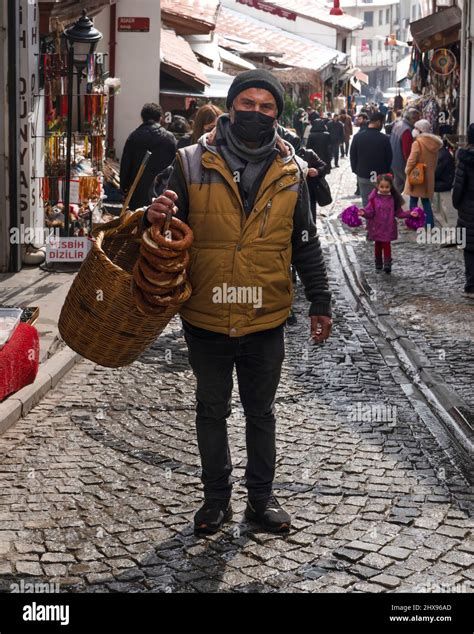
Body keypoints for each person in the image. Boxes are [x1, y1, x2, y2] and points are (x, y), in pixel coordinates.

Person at [144, 69, 332, 534]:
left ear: (276, 114)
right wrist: (154, 215)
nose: (256, 112)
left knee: (261, 413)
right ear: (230, 108)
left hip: (266, 314)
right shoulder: (189, 163)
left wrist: (320, 300)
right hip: (205, 313)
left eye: (266, 106)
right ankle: (214, 502)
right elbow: (166, 232)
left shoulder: (291, 172)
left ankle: (261, 501)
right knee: (211, 410)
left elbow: (305, 241)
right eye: (247, 103)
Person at [120, 102, 177, 210]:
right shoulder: (169, 138)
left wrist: (124, 189)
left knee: (137, 222)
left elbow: (125, 165)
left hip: (137, 191)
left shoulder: (134, 137)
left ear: (142, 118)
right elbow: (175, 166)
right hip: (161, 193)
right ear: (160, 118)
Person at [359, 174, 417, 273]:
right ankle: (378, 262)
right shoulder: (373, 200)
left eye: (387, 187)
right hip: (376, 226)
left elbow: (399, 213)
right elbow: (370, 213)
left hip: (388, 227)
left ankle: (387, 263)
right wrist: (363, 213)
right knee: (378, 244)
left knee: (386, 244)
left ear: (391, 187)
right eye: (382, 187)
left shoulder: (393, 200)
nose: (384, 189)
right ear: (377, 186)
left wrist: (410, 214)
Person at [404, 119, 443, 228]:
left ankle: (414, 222)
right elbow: (435, 162)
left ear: (420, 130)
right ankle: (429, 224)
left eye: (416, 128)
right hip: (428, 176)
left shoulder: (417, 143)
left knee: (413, 201)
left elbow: (412, 160)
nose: (414, 130)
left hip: (416, 175)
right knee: (426, 202)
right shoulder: (434, 144)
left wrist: (407, 171)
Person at [350, 112, 392, 207]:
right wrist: (386, 172)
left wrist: (356, 170)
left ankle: (369, 220)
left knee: (366, 201)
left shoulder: (358, 137)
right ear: (378, 122)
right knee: (380, 201)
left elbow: (353, 156)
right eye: (382, 122)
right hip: (381, 177)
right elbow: (389, 158)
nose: (382, 125)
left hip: (363, 174)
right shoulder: (384, 139)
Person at [452, 123, 474, 297]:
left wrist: (457, 204)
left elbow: (459, 186)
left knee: (470, 248)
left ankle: (471, 284)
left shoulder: (465, 159)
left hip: (468, 208)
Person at [390, 107, 422, 193]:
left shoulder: (398, 124)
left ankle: (396, 205)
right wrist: (411, 167)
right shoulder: (407, 130)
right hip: (402, 164)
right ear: (413, 119)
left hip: (394, 162)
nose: (419, 121)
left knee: (398, 188)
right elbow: (407, 152)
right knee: (409, 190)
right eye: (418, 119)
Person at [434, 138, 455, 235]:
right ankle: (449, 227)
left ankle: (451, 228)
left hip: (444, 183)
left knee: (445, 205)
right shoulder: (443, 153)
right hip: (445, 182)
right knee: (444, 205)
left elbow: (437, 172)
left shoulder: (442, 155)